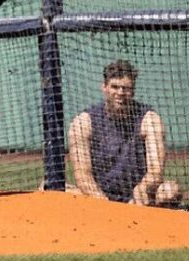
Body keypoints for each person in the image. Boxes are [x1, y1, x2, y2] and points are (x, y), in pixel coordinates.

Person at [67, 60, 181, 206]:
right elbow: (83, 176)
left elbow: (155, 171)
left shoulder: (150, 119)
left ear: (133, 90)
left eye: (126, 88)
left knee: (170, 190)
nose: (120, 93)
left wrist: (143, 188)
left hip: (138, 197)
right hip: (98, 196)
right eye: (115, 87)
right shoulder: (83, 122)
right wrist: (104, 203)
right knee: (49, 188)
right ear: (104, 87)